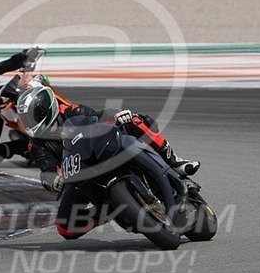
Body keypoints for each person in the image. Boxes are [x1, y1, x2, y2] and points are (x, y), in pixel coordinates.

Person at [15, 85, 200, 240]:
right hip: (80, 173)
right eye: (25, 119)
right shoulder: (36, 144)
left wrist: (117, 115)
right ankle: (105, 212)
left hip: (103, 150)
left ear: (45, 109)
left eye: (31, 117)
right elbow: (46, 169)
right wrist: (52, 181)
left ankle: (173, 160)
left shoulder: (72, 111)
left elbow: (98, 116)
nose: (28, 123)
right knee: (64, 228)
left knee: (134, 120)